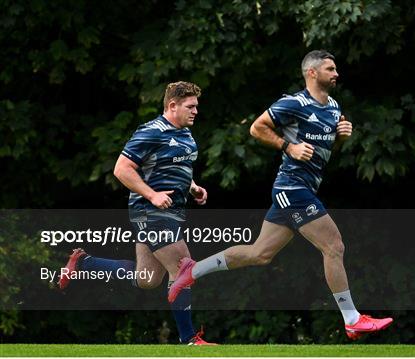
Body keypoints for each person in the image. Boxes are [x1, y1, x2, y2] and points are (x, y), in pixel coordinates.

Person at [168, 51, 393, 340]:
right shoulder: (294, 103)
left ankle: (192, 270)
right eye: (330, 68)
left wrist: (340, 137)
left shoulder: (334, 108)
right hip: (292, 188)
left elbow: (323, 154)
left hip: (303, 188)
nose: (336, 73)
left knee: (260, 254)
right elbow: (256, 127)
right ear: (311, 73)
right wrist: (289, 147)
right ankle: (351, 319)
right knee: (333, 246)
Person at [58, 81, 215, 345]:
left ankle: (84, 263)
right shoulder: (150, 132)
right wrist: (152, 195)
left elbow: (173, 168)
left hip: (171, 212)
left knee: (147, 279)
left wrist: (193, 187)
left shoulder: (186, 134)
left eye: (196, 106)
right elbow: (122, 169)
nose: (196, 111)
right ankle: (189, 339)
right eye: (190, 106)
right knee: (183, 266)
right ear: (172, 105)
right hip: (150, 211)